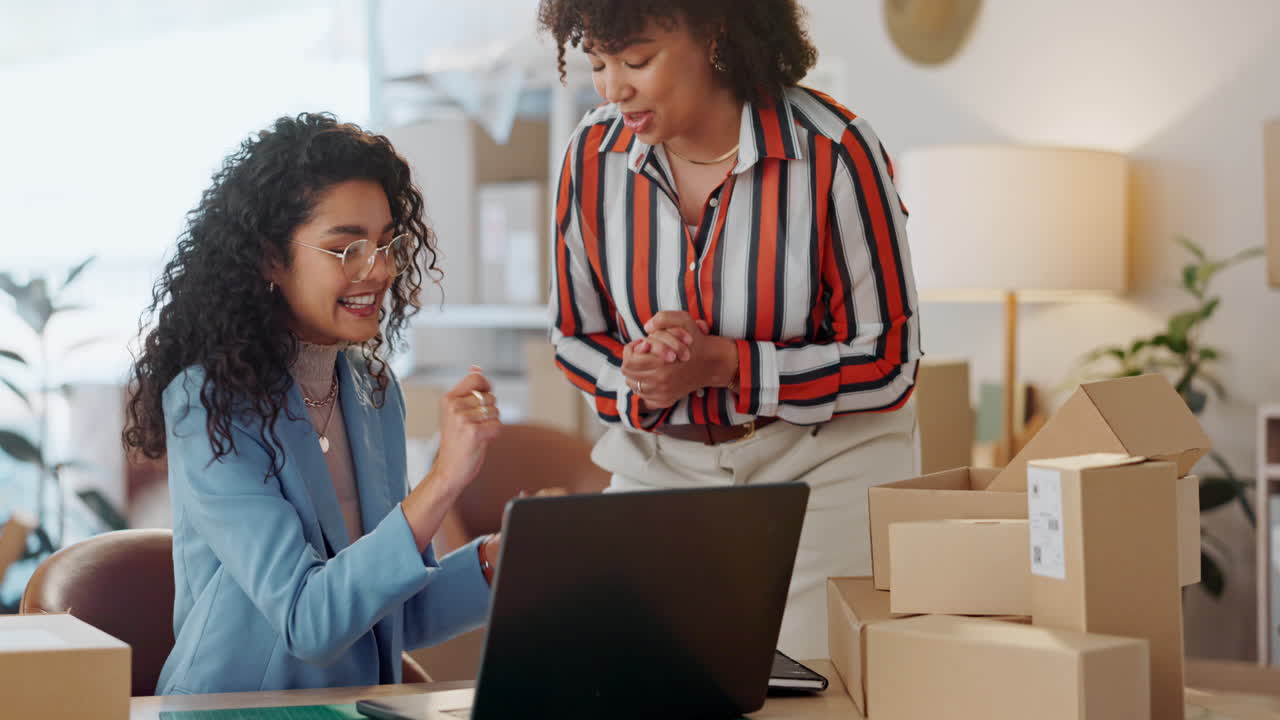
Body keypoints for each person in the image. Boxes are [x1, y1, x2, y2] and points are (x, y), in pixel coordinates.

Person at [538, 0, 922, 657]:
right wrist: (643, 381)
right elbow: (573, 332)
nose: (612, 87)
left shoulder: (834, 153)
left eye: (636, 60)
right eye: (597, 63)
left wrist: (727, 365)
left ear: (715, 32)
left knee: (807, 688)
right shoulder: (590, 157)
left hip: (819, 468)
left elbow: (889, 362)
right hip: (658, 466)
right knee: (643, 682)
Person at [124, 113, 503, 694]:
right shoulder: (207, 405)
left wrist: (495, 561)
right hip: (233, 715)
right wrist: (444, 481)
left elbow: (392, 610)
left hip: (352, 708)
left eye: (384, 243)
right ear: (271, 258)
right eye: (345, 247)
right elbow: (309, 620)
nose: (376, 269)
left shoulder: (374, 391)